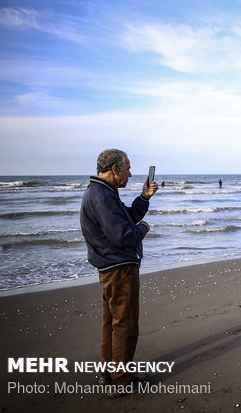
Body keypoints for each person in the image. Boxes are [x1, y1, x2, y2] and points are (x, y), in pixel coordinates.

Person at [80, 149, 159, 395]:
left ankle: (109, 371)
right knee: (124, 323)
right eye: (127, 168)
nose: (131, 173)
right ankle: (122, 379)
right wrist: (144, 228)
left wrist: (144, 197)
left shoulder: (103, 192)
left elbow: (126, 218)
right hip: (119, 268)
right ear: (114, 169)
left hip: (110, 266)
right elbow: (123, 235)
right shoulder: (101, 197)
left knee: (112, 322)